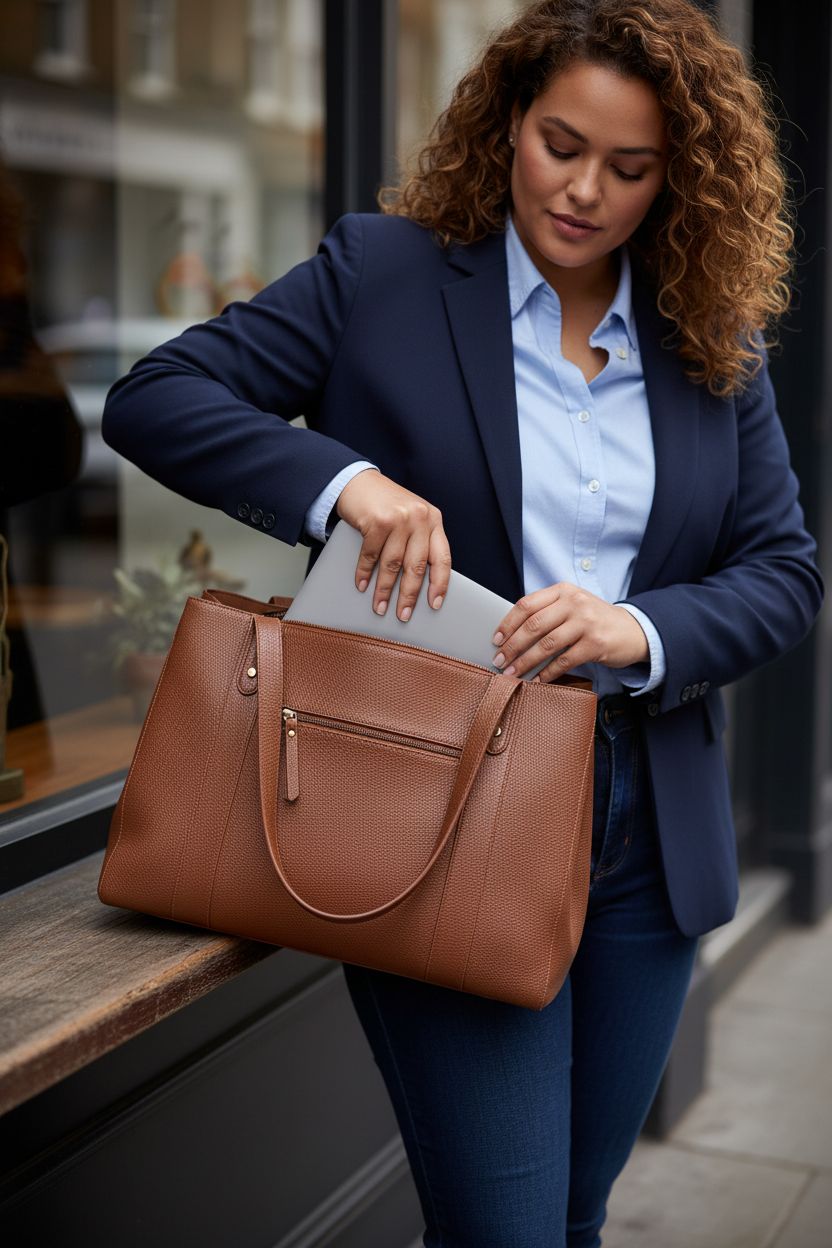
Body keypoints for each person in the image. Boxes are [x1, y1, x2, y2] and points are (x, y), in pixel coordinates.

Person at [101, 1, 824, 1243]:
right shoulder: (381, 273)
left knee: (579, 1215)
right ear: (505, 127)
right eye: (560, 144)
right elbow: (154, 396)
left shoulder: (710, 340)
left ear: (678, 179)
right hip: (440, 805)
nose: (584, 189)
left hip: (652, 831)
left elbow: (783, 572)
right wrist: (344, 484)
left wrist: (635, 632)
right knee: (507, 1235)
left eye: (629, 167)